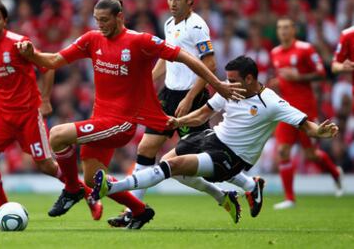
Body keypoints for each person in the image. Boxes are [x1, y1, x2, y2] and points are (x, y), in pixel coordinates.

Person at [17, 0, 244, 230]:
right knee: (92, 178)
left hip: (122, 123)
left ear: (120, 17)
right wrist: (31, 53)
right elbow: (53, 61)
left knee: (57, 135)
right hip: (100, 120)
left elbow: (186, 57)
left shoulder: (140, 41)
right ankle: (139, 210)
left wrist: (217, 84)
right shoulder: (91, 39)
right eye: (97, 20)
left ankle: (72, 190)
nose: (100, 25)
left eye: (105, 20)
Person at [91, 56, 339, 226]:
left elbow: (305, 124)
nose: (227, 84)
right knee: (169, 163)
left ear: (250, 79)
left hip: (230, 158)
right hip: (212, 138)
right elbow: (204, 113)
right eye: (227, 79)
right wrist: (179, 122)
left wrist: (320, 132)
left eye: (232, 80)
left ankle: (112, 188)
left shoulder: (271, 102)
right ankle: (232, 194)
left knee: (172, 167)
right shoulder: (229, 91)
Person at [0, 0, 102, 222]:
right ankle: (3, 207)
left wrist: (45, 100)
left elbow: (48, 67)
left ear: (5, 21)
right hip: (3, 115)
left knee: (46, 166)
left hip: (28, 113)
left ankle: (88, 196)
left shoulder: (20, 44)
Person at [108, 0, 218, 227]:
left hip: (192, 96)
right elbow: (166, 59)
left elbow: (210, 63)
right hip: (169, 95)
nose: (172, 3)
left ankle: (246, 186)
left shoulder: (197, 26)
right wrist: (145, 79)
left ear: (190, 0)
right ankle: (133, 210)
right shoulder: (169, 23)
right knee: (146, 149)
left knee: (202, 157)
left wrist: (191, 98)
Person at [270, 17, 343, 210]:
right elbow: (283, 78)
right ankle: (290, 199)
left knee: (311, 155)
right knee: (282, 151)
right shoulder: (275, 53)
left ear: (294, 30)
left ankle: (335, 172)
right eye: (280, 28)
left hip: (305, 110)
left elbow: (321, 73)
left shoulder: (305, 49)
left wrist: (298, 77)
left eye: (286, 27)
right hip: (285, 110)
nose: (283, 31)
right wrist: (279, 83)